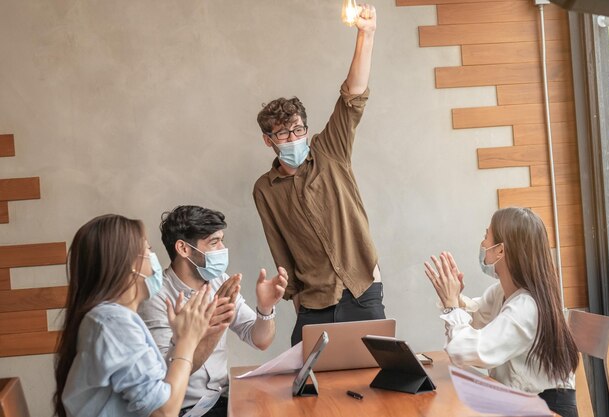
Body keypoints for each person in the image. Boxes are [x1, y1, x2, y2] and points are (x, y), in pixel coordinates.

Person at [253, 3, 385, 346]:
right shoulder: (265, 189)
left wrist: (366, 35)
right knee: (309, 388)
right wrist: (297, 304)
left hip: (362, 290)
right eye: (283, 134)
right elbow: (279, 248)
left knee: (371, 380)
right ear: (269, 141)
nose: (293, 138)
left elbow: (352, 97)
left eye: (298, 130)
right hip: (313, 303)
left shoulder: (331, 150)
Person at [54, 214, 224, 417]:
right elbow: (163, 412)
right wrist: (188, 341)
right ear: (129, 264)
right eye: (148, 249)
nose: (154, 258)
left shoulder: (112, 319)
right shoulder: (113, 323)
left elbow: (158, 387)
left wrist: (180, 340)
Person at [423, 207, 579, 417]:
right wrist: (455, 298)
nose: (482, 244)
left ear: (501, 250)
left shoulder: (526, 307)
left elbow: (466, 351)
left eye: (486, 236)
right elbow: (477, 318)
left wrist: (452, 305)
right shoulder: (502, 293)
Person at [139, 205, 288, 417]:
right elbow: (168, 374)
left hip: (223, 400)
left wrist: (265, 308)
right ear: (183, 249)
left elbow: (260, 340)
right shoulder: (157, 297)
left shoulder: (219, 280)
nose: (222, 249)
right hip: (185, 409)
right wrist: (217, 324)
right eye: (214, 242)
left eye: (222, 240)